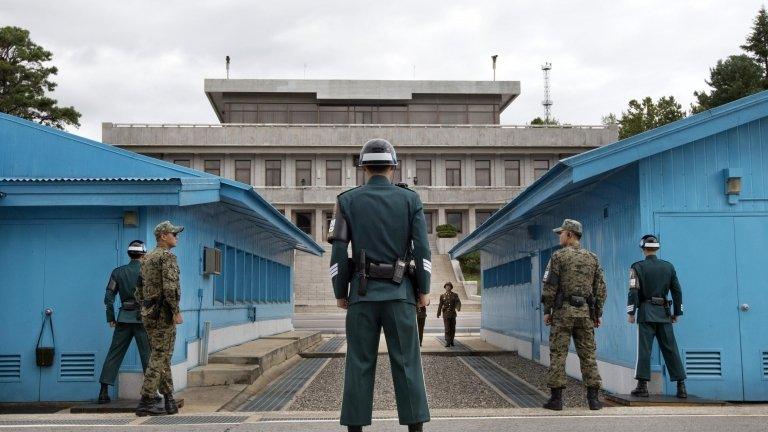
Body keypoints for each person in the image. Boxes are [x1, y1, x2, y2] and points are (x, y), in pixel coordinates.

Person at [328, 138, 431, 432]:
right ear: (393, 167)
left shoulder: (347, 200)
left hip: (362, 294)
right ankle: (415, 429)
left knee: (359, 364)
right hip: (400, 295)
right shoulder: (410, 200)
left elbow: (338, 250)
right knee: (407, 364)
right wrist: (423, 289)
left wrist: (340, 291)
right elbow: (422, 249)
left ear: (363, 167)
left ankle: (355, 429)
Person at [541, 219, 607, 411]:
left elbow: (550, 286)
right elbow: (600, 288)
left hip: (563, 313)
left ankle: (556, 400)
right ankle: (593, 400)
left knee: (558, 354)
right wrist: (597, 313)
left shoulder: (558, 257)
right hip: (585, 313)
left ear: (570, 234)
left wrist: (547, 310)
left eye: (561, 233)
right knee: (588, 355)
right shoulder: (592, 258)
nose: (559, 236)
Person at [627, 234, 687, 399]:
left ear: (642, 248)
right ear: (657, 248)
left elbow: (633, 291)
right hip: (664, 314)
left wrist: (631, 312)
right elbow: (677, 291)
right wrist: (677, 312)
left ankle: (642, 386)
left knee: (644, 350)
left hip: (646, 313)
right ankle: (681, 386)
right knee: (671, 349)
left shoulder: (637, 267)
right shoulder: (668, 267)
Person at [134, 221, 184, 417]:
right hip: (163, 315)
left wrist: (146, 307)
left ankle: (169, 400)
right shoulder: (167, 257)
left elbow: (138, 290)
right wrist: (176, 311)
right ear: (163, 236)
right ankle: (146, 400)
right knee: (160, 356)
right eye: (173, 234)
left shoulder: (146, 259)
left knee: (161, 356)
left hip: (149, 314)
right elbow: (170, 289)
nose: (176, 237)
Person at [97, 240, 151, 404]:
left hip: (124, 318)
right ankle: (149, 393)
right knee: (147, 355)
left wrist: (111, 318)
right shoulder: (149, 271)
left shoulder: (118, 272)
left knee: (114, 354)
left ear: (129, 254)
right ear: (144, 254)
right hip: (144, 319)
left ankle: (103, 392)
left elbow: (108, 298)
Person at [437, 282, 461, 347]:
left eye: (449, 286)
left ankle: (451, 340)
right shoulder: (442, 296)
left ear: (451, 287)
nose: (448, 287)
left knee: (452, 328)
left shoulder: (455, 295)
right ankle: (447, 341)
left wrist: (458, 307)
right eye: (446, 286)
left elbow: (458, 302)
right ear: (445, 287)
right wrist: (438, 313)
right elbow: (440, 305)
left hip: (453, 314)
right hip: (446, 314)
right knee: (447, 328)